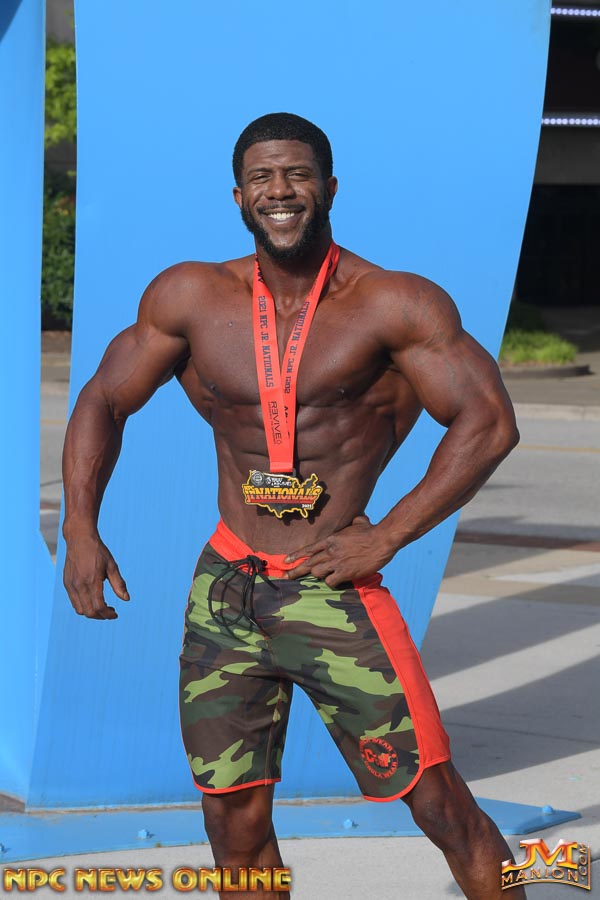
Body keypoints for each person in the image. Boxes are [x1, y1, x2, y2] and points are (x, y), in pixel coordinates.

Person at [62, 112, 525, 899]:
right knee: (233, 821)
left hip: (332, 587)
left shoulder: (393, 303)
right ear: (238, 195)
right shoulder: (190, 296)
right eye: (263, 178)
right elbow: (105, 397)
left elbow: (489, 423)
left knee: (440, 807)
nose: (280, 191)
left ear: (330, 188)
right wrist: (81, 525)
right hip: (227, 588)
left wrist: (388, 536)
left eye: (298, 175)